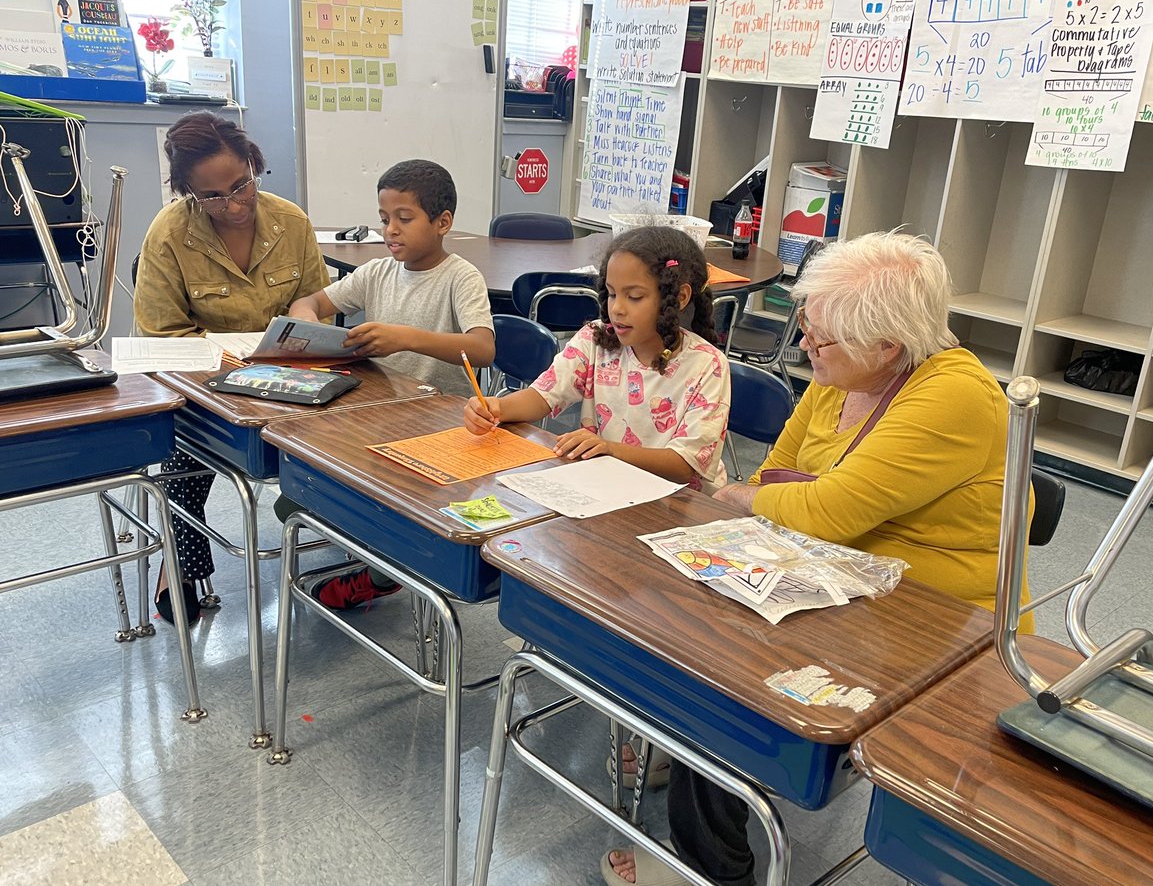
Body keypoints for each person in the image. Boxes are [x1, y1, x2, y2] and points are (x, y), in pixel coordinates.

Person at [602, 231, 1033, 886]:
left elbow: (820, 509)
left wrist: (778, 499)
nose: (804, 346)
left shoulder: (954, 396)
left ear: (888, 346)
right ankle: (696, 754)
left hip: (942, 627)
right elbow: (779, 476)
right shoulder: (844, 372)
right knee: (683, 623)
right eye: (806, 328)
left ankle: (711, 865)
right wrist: (783, 498)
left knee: (723, 674)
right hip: (832, 579)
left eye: (819, 338)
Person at [134, 111, 330, 627]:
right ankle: (180, 561)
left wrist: (306, 323)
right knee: (184, 461)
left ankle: (357, 553)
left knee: (346, 441)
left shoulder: (291, 222)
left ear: (253, 163)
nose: (235, 204)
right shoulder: (170, 235)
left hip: (288, 377)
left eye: (241, 184)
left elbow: (317, 301)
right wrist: (224, 357)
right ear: (188, 192)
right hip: (204, 386)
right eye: (214, 196)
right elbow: (159, 334)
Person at [281, 158, 495, 610]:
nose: (390, 230)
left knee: (390, 498)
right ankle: (355, 536)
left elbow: (482, 349)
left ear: (443, 223)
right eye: (383, 219)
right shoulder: (377, 272)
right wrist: (309, 324)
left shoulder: (461, 277)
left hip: (439, 423)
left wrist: (406, 339)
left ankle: (383, 571)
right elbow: (309, 302)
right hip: (378, 411)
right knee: (318, 466)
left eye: (404, 218)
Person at [463, 225, 730, 490]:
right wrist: (497, 408)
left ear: (679, 297)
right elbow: (544, 395)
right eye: (612, 293)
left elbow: (684, 466)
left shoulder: (708, 365)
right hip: (609, 488)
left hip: (680, 506)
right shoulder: (596, 339)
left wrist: (611, 450)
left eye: (634, 297)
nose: (617, 308)